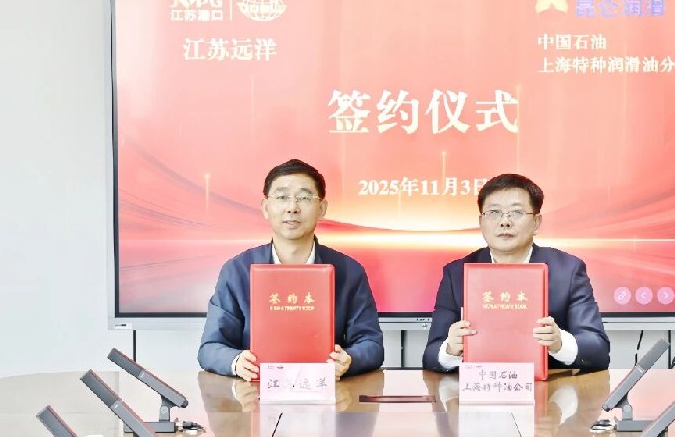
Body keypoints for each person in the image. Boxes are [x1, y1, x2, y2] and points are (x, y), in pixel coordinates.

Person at [198, 159, 384, 380]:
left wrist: (349, 360)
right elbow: (210, 348)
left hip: (328, 391)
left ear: (322, 209)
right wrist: (236, 361)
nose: (292, 208)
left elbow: (371, 344)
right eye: (282, 197)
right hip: (254, 393)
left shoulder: (349, 271)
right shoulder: (237, 271)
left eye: (304, 198)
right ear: (266, 208)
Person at [422, 173, 610, 373]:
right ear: (481, 221)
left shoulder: (567, 270)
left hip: (547, 389)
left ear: (536, 222)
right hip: (479, 387)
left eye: (516, 212)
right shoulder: (457, 273)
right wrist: (450, 349)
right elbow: (431, 355)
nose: (505, 222)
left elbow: (597, 349)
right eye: (494, 212)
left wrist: (560, 343)